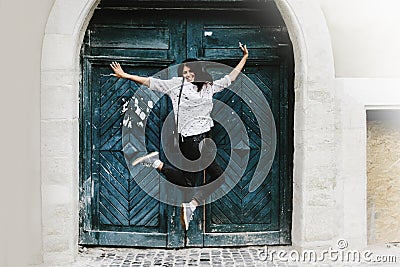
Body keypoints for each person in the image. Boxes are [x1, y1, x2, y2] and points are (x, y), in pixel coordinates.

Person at [110, 42, 249, 231]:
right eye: (185, 72)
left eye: (191, 72)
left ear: (198, 71)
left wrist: (244, 58)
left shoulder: (209, 87)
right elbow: (152, 82)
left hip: (196, 142)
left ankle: (157, 164)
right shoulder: (177, 85)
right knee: (219, 178)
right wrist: (125, 75)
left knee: (188, 182)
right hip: (194, 142)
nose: (188, 75)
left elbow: (229, 78)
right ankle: (191, 204)